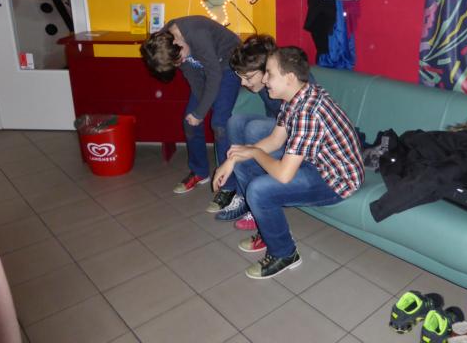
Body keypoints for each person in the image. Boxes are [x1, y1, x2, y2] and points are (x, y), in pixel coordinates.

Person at [212, 46, 364, 279]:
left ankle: (284, 254)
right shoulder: (294, 97)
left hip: (336, 179)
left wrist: (253, 152)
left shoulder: (308, 111)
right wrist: (232, 160)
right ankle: (269, 229)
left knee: (259, 191)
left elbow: (283, 175)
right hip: (315, 161)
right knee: (244, 163)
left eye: (269, 73)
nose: (264, 79)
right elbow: (275, 140)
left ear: (290, 78)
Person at [140, 15, 241, 194]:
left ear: (178, 41)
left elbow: (215, 75)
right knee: (190, 122)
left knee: (219, 124)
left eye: (180, 58)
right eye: (176, 63)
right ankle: (200, 172)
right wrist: (202, 108)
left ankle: (228, 186)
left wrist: (202, 112)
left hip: (228, 62)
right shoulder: (166, 44)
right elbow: (193, 76)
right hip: (206, 66)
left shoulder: (197, 35)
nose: (181, 62)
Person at [205, 34, 280, 224]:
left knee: (254, 129)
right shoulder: (264, 78)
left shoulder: (286, 79)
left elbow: (293, 125)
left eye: (247, 77)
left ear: (267, 69)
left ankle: (258, 204)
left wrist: (238, 156)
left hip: (298, 135)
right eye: (241, 77)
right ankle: (244, 196)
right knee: (234, 122)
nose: (243, 83)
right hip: (279, 126)